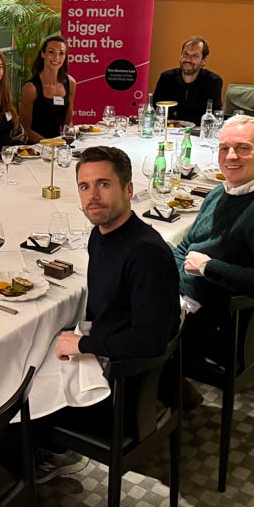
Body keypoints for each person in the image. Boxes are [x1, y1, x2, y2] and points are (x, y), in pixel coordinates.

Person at [55, 145, 180, 362]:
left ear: (128, 190)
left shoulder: (147, 254)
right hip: (104, 341)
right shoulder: (98, 235)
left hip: (121, 370)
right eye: (84, 187)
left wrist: (83, 345)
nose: (92, 196)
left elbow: (151, 340)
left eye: (104, 184)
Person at [173, 115, 254, 317]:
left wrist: (208, 267)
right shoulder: (220, 192)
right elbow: (184, 248)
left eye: (243, 148)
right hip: (179, 298)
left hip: (212, 318)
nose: (230, 156)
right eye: (224, 148)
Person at [149, 36, 223, 124]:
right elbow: (156, 110)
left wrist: (177, 114)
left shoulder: (213, 81)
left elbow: (213, 117)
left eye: (194, 55)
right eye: (185, 54)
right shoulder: (166, 77)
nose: (188, 59)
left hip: (198, 133)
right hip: (168, 131)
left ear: (204, 60)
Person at [19, 36, 76, 142]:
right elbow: (24, 129)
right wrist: (49, 145)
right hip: (35, 148)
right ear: (43, 54)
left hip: (58, 145)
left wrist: (70, 137)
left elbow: (67, 123)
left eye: (61, 53)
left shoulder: (71, 83)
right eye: (51, 52)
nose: (56, 57)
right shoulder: (30, 88)